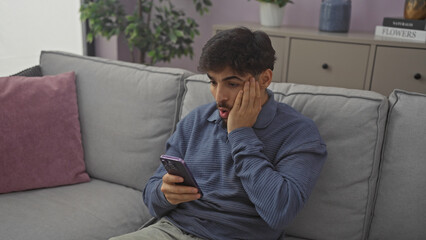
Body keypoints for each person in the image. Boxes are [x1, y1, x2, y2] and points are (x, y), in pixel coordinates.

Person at [111, 27, 327, 240]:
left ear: (265, 79)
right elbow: (151, 195)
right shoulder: (196, 120)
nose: (219, 96)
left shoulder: (299, 133)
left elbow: (279, 212)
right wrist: (164, 193)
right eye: (213, 82)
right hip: (171, 230)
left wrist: (240, 133)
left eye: (232, 83)